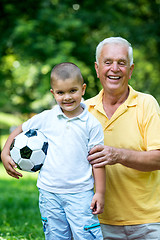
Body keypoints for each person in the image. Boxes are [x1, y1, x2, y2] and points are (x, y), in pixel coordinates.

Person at [1, 62, 106, 240]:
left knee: (86, 236)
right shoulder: (46, 118)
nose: (67, 97)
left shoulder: (92, 124)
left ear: (83, 89)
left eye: (73, 91)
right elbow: (20, 129)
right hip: (49, 193)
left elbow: (98, 161)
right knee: (55, 236)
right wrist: (4, 153)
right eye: (60, 92)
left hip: (80, 194)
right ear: (53, 93)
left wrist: (100, 192)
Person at [85, 37, 160, 239]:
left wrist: (117, 155)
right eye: (108, 62)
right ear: (97, 68)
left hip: (148, 223)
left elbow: (158, 158)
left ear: (131, 69)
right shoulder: (83, 111)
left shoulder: (147, 104)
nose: (114, 69)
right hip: (96, 221)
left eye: (121, 63)